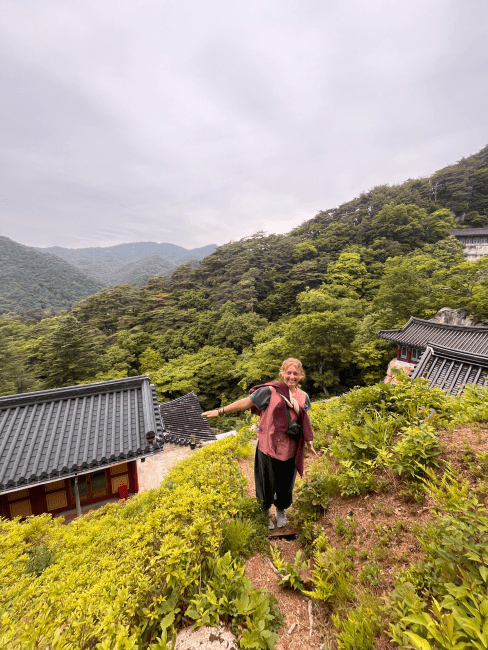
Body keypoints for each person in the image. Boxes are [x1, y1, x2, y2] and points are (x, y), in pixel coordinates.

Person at [202, 358, 315, 530]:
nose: (292, 377)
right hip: (268, 445)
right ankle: (264, 511)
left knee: (286, 483)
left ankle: (280, 509)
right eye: (289, 373)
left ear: (300, 376)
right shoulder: (270, 391)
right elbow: (247, 402)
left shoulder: (303, 397)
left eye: (295, 374)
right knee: (266, 481)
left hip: (290, 448)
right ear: (282, 373)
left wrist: (309, 439)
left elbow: (304, 421)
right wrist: (220, 411)